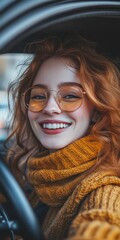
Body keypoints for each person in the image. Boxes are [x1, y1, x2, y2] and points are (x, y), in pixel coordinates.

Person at [6, 35, 120, 240]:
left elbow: (103, 224)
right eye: (39, 96)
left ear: (96, 110)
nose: (50, 108)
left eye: (70, 96)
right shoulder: (44, 178)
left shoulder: (104, 190)